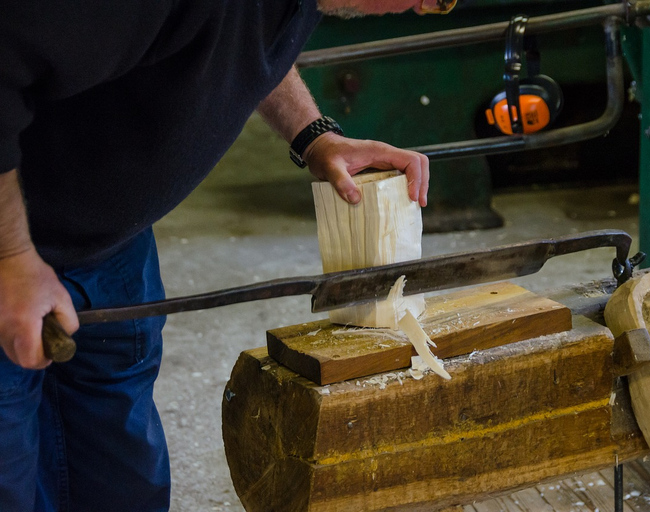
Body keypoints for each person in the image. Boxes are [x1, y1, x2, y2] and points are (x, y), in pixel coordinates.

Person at [0, 0, 456, 510]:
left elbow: (251, 44)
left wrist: (314, 135)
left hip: (108, 242)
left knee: (120, 473)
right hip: (9, 251)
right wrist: (12, 255)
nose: (424, 7)